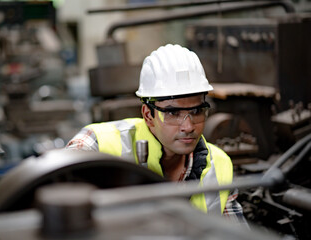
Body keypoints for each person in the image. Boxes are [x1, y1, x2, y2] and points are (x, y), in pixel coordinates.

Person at [67, 44, 247, 225]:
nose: (188, 126)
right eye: (172, 113)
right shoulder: (98, 143)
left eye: (196, 111)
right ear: (148, 115)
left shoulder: (219, 165)